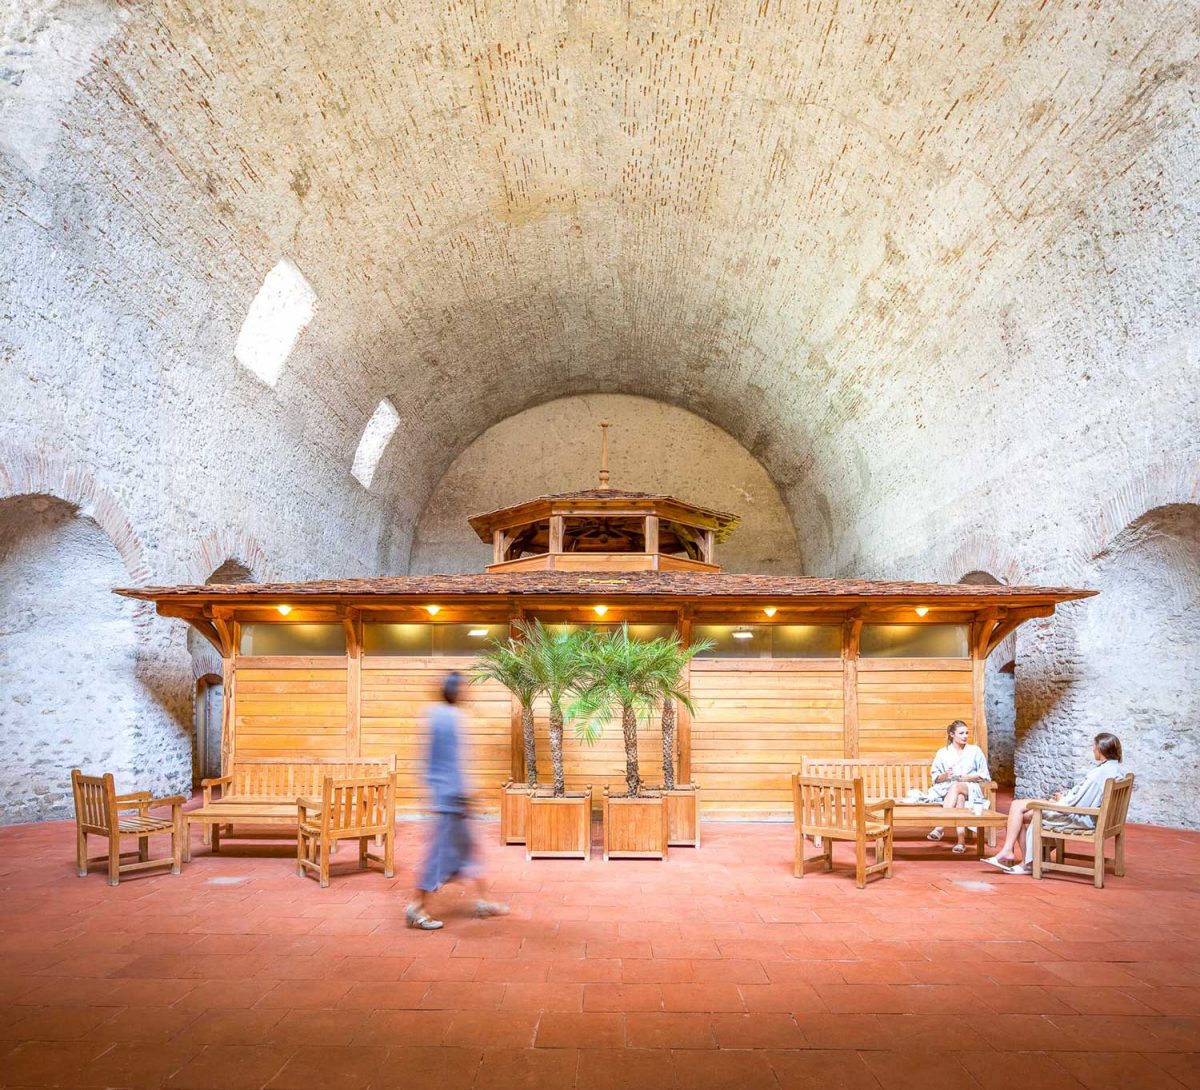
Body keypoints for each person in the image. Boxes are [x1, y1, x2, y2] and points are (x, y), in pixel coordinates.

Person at [406, 671, 509, 929]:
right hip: (452, 799)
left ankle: (484, 900)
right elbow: (453, 761)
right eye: (461, 689)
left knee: (469, 848)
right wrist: (467, 794)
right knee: (438, 854)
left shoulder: (432, 716)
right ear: (455, 692)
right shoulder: (450, 719)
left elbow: (427, 761)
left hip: (446, 796)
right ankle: (416, 907)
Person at [984, 732, 1125, 876]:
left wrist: (1059, 800)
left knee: (1019, 809)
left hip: (1081, 817)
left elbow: (1075, 803)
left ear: (1101, 749)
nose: (1092, 749)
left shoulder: (1099, 774)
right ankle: (1027, 857)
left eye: (1094, 747)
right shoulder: (1114, 770)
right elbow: (1085, 795)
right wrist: (1066, 795)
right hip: (1090, 814)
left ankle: (1026, 861)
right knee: (1019, 809)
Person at [920, 720, 991, 854]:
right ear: (952, 734)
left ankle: (940, 826)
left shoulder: (975, 751)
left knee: (957, 786)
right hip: (948, 789)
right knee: (959, 798)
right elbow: (936, 778)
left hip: (971, 788)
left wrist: (965, 778)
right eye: (961, 733)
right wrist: (946, 775)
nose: (965, 736)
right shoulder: (943, 752)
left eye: (966, 733)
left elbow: (984, 775)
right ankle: (961, 842)